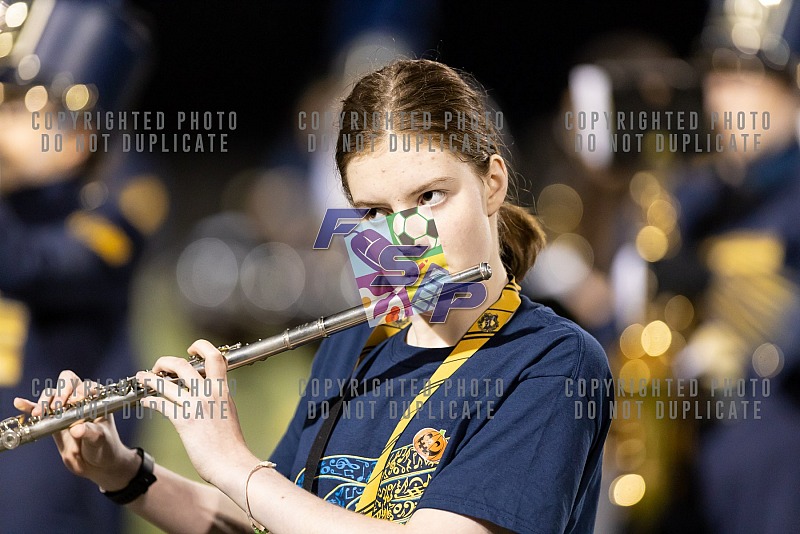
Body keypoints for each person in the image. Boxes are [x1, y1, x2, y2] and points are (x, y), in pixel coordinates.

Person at [13, 59, 612, 533]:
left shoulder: (552, 364)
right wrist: (123, 473)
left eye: (429, 197)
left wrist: (234, 463)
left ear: (491, 183)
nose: (404, 239)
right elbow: (269, 519)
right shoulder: (352, 346)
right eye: (375, 212)